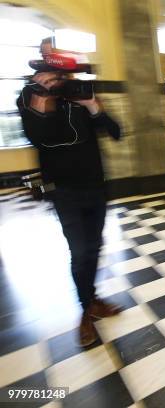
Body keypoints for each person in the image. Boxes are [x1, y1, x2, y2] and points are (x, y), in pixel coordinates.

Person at [16, 38, 122, 347]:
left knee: (95, 246)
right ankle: (86, 311)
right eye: (46, 75)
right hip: (64, 191)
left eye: (56, 76)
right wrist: (43, 103)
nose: (52, 82)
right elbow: (41, 139)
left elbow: (115, 132)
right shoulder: (29, 98)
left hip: (95, 186)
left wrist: (93, 107)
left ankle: (92, 300)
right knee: (80, 252)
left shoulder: (78, 96)